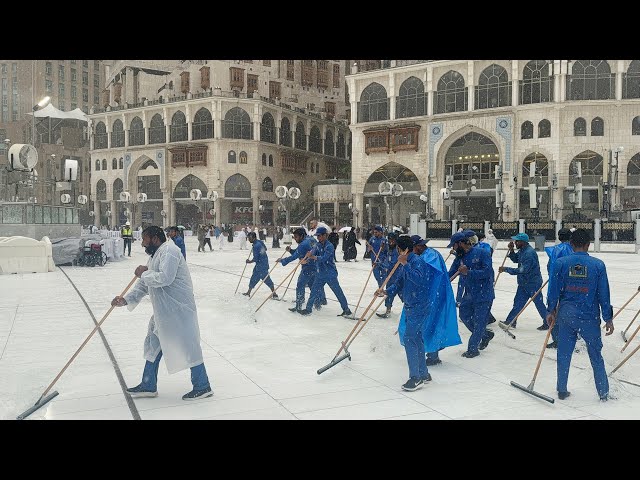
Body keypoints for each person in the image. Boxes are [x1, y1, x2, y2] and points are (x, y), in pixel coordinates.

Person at [110, 226, 213, 401]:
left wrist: (144, 274)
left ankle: (202, 386)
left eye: (145, 239)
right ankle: (148, 384)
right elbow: (144, 284)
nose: (142, 243)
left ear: (155, 239)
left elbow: (165, 278)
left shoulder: (170, 251)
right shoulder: (155, 255)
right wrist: (126, 300)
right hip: (164, 312)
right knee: (153, 346)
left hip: (179, 311)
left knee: (189, 347)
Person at [546, 228, 614, 401]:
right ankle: (603, 392)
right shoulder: (597, 265)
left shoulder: (561, 263)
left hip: (566, 315)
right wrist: (608, 318)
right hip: (589, 316)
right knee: (596, 355)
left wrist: (551, 310)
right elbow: (603, 294)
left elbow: (553, 290)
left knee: (564, 353)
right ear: (588, 245)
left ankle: (562, 389)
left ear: (570, 244)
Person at [376, 236, 432, 391]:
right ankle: (423, 373)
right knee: (417, 338)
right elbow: (400, 283)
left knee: (409, 339)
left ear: (404, 250)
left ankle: (416, 377)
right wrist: (386, 291)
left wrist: (405, 264)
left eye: (398, 250)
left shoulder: (416, 262)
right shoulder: (405, 263)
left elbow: (418, 279)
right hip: (411, 305)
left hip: (419, 306)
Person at [449, 231, 496, 358]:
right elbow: (451, 273)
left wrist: (469, 272)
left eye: (454, 245)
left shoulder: (482, 253)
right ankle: (485, 335)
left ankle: (473, 348)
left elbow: (487, 272)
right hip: (469, 293)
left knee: (479, 321)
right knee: (464, 315)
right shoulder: (459, 258)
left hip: (484, 294)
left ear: (461, 243)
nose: (453, 249)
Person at [499, 233, 548, 330]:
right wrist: (512, 250)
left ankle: (548, 322)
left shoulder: (529, 253)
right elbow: (516, 259)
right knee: (518, 303)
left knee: (539, 303)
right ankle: (511, 321)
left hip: (532, 283)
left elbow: (523, 270)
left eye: (517, 241)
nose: (515, 242)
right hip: (523, 283)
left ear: (523, 242)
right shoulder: (522, 250)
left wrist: (506, 269)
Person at [298, 227, 351, 317]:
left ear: (324, 235)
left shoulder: (329, 246)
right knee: (314, 291)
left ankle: (346, 310)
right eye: (317, 236)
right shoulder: (317, 245)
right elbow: (312, 251)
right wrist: (307, 256)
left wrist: (314, 257)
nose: (318, 238)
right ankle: (308, 309)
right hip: (320, 273)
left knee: (338, 292)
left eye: (319, 236)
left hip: (330, 274)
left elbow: (324, 258)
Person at [278, 228, 323, 312]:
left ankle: (299, 305)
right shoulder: (311, 239)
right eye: (294, 237)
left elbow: (295, 256)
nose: (295, 239)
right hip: (316, 266)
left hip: (308, 267)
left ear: (302, 235)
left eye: (296, 237)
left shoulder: (303, 244)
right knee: (312, 285)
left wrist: (282, 260)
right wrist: (291, 250)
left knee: (300, 285)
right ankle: (317, 303)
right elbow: (303, 252)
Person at [545, 228, 574, 349]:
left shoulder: (556, 250)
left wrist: (552, 276)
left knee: (553, 311)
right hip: (570, 286)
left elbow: (550, 266)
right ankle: (572, 338)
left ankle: (557, 339)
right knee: (570, 313)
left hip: (556, 284)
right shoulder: (574, 249)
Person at [243, 231, 278, 299]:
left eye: (250, 238)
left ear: (254, 238)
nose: (249, 240)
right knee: (255, 277)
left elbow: (256, 258)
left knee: (266, 279)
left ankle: (274, 294)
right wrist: (261, 252)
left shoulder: (256, 246)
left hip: (261, 266)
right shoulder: (259, 242)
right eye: (248, 238)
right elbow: (265, 248)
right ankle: (248, 292)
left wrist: (249, 261)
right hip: (262, 264)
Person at [376, 232, 399, 318]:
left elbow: (392, 263)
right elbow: (385, 258)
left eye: (392, 240)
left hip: (397, 276)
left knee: (402, 294)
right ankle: (388, 310)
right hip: (390, 275)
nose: (390, 242)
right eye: (389, 240)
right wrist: (380, 262)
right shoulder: (390, 249)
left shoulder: (397, 250)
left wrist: (381, 264)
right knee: (389, 294)